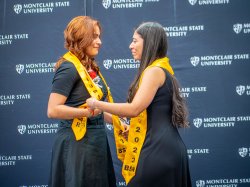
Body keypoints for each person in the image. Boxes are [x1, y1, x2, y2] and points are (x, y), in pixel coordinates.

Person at [87, 22, 192, 187]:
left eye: (135, 41)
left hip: (158, 152)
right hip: (162, 149)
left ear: (149, 42)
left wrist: (96, 103)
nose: (130, 45)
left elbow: (134, 109)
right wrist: (103, 113)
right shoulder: (160, 70)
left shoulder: (154, 71)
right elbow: (138, 115)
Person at [47, 16, 116, 187]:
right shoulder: (69, 67)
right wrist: (86, 112)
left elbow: (99, 109)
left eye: (99, 36)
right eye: (94, 36)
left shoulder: (91, 67)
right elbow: (53, 110)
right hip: (77, 145)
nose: (99, 41)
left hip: (97, 142)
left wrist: (119, 123)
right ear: (81, 38)